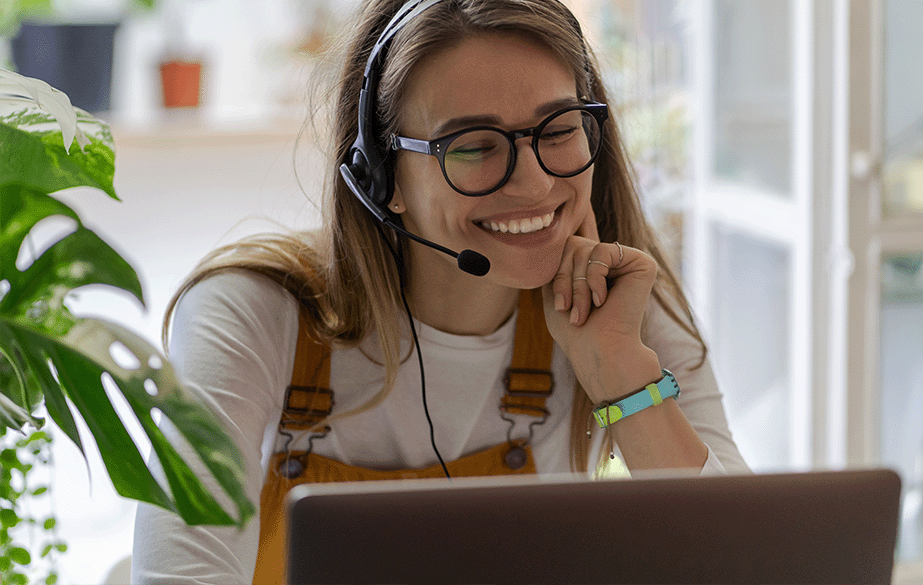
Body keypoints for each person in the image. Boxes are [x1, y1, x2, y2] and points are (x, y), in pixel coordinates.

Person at [132, 0, 749, 582]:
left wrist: (619, 371)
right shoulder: (250, 313)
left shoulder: (620, 301)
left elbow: (749, 562)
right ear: (382, 177)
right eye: (474, 145)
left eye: (558, 129)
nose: (534, 184)